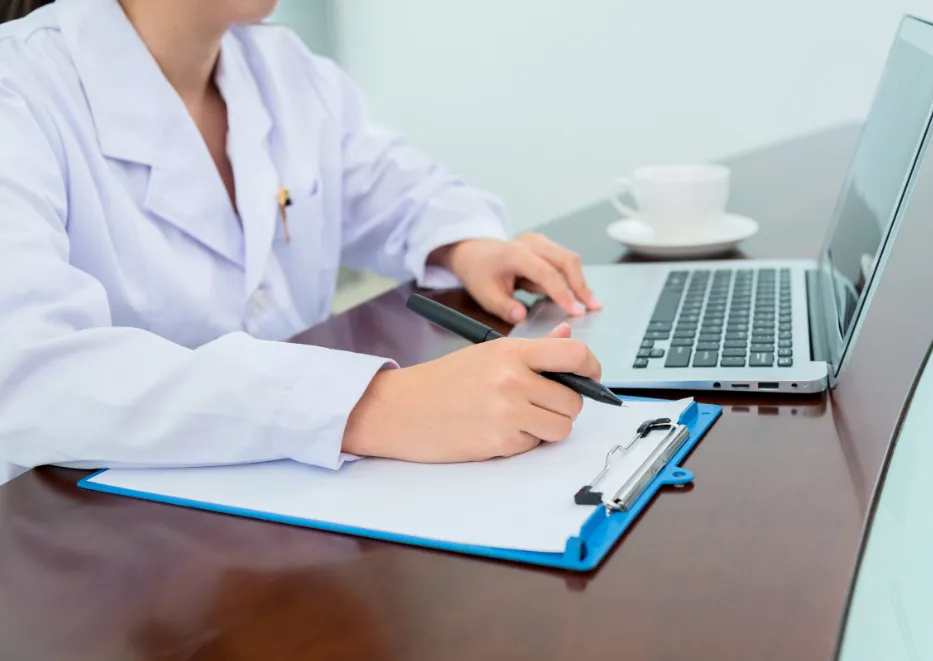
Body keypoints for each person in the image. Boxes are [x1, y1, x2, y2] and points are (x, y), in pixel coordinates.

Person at [0, 0, 605, 482]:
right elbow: (33, 380)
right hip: (91, 553)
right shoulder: (19, 92)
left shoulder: (284, 69)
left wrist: (469, 247)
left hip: (287, 504)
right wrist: (372, 408)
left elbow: (402, 193)